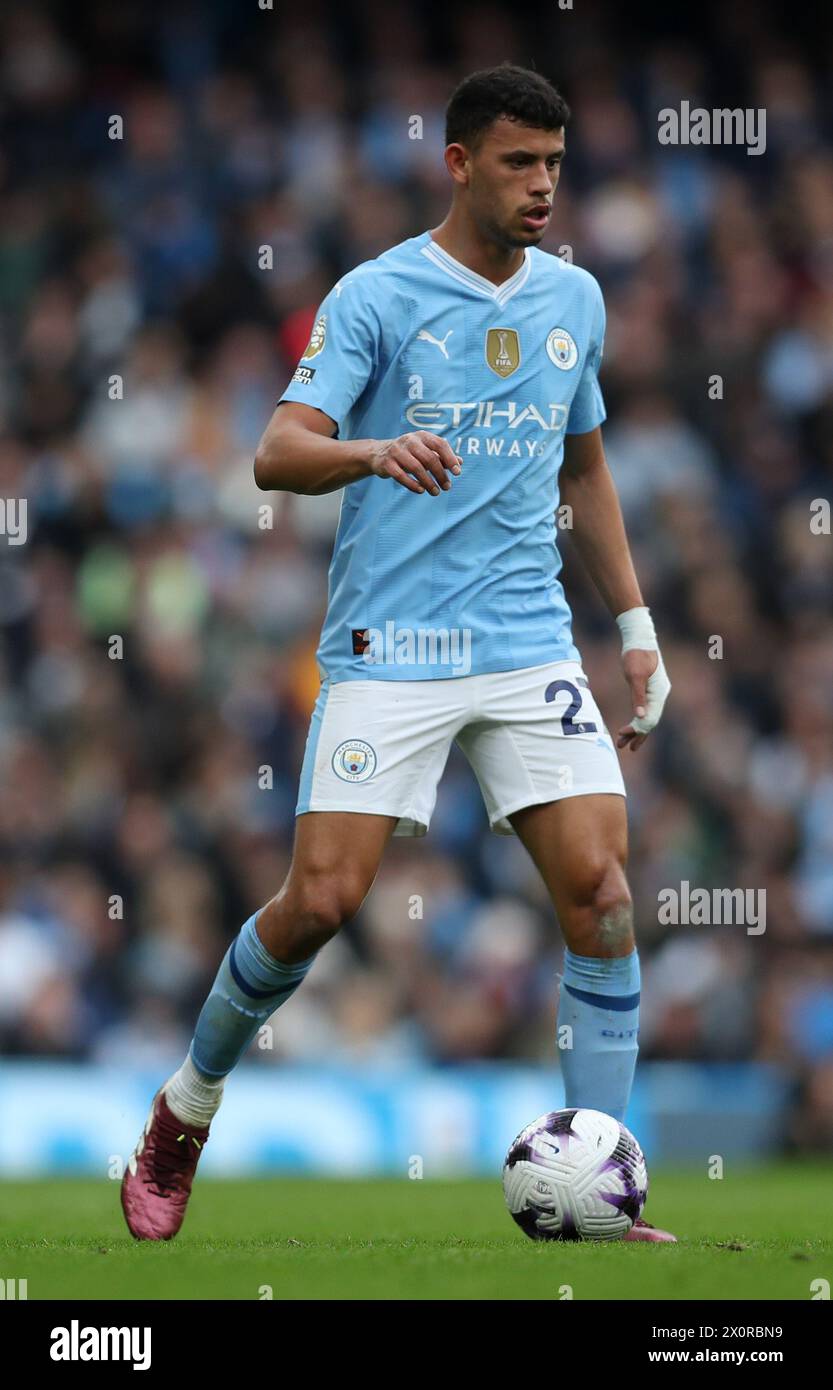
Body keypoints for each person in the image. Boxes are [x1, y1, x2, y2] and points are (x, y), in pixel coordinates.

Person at [122, 64, 674, 1242]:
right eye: (520, 163)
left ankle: (602, 1185)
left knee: (604, 895)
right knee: (320, 900)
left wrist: (631, 627)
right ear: (459, 164)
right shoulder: (374, 295)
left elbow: (582, 468)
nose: (542, 187)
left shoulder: (573, 300)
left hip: (528, 642)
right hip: (389, 647)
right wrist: (372, 452)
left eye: (556, 166)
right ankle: (186, 1105)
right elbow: (276, 452)